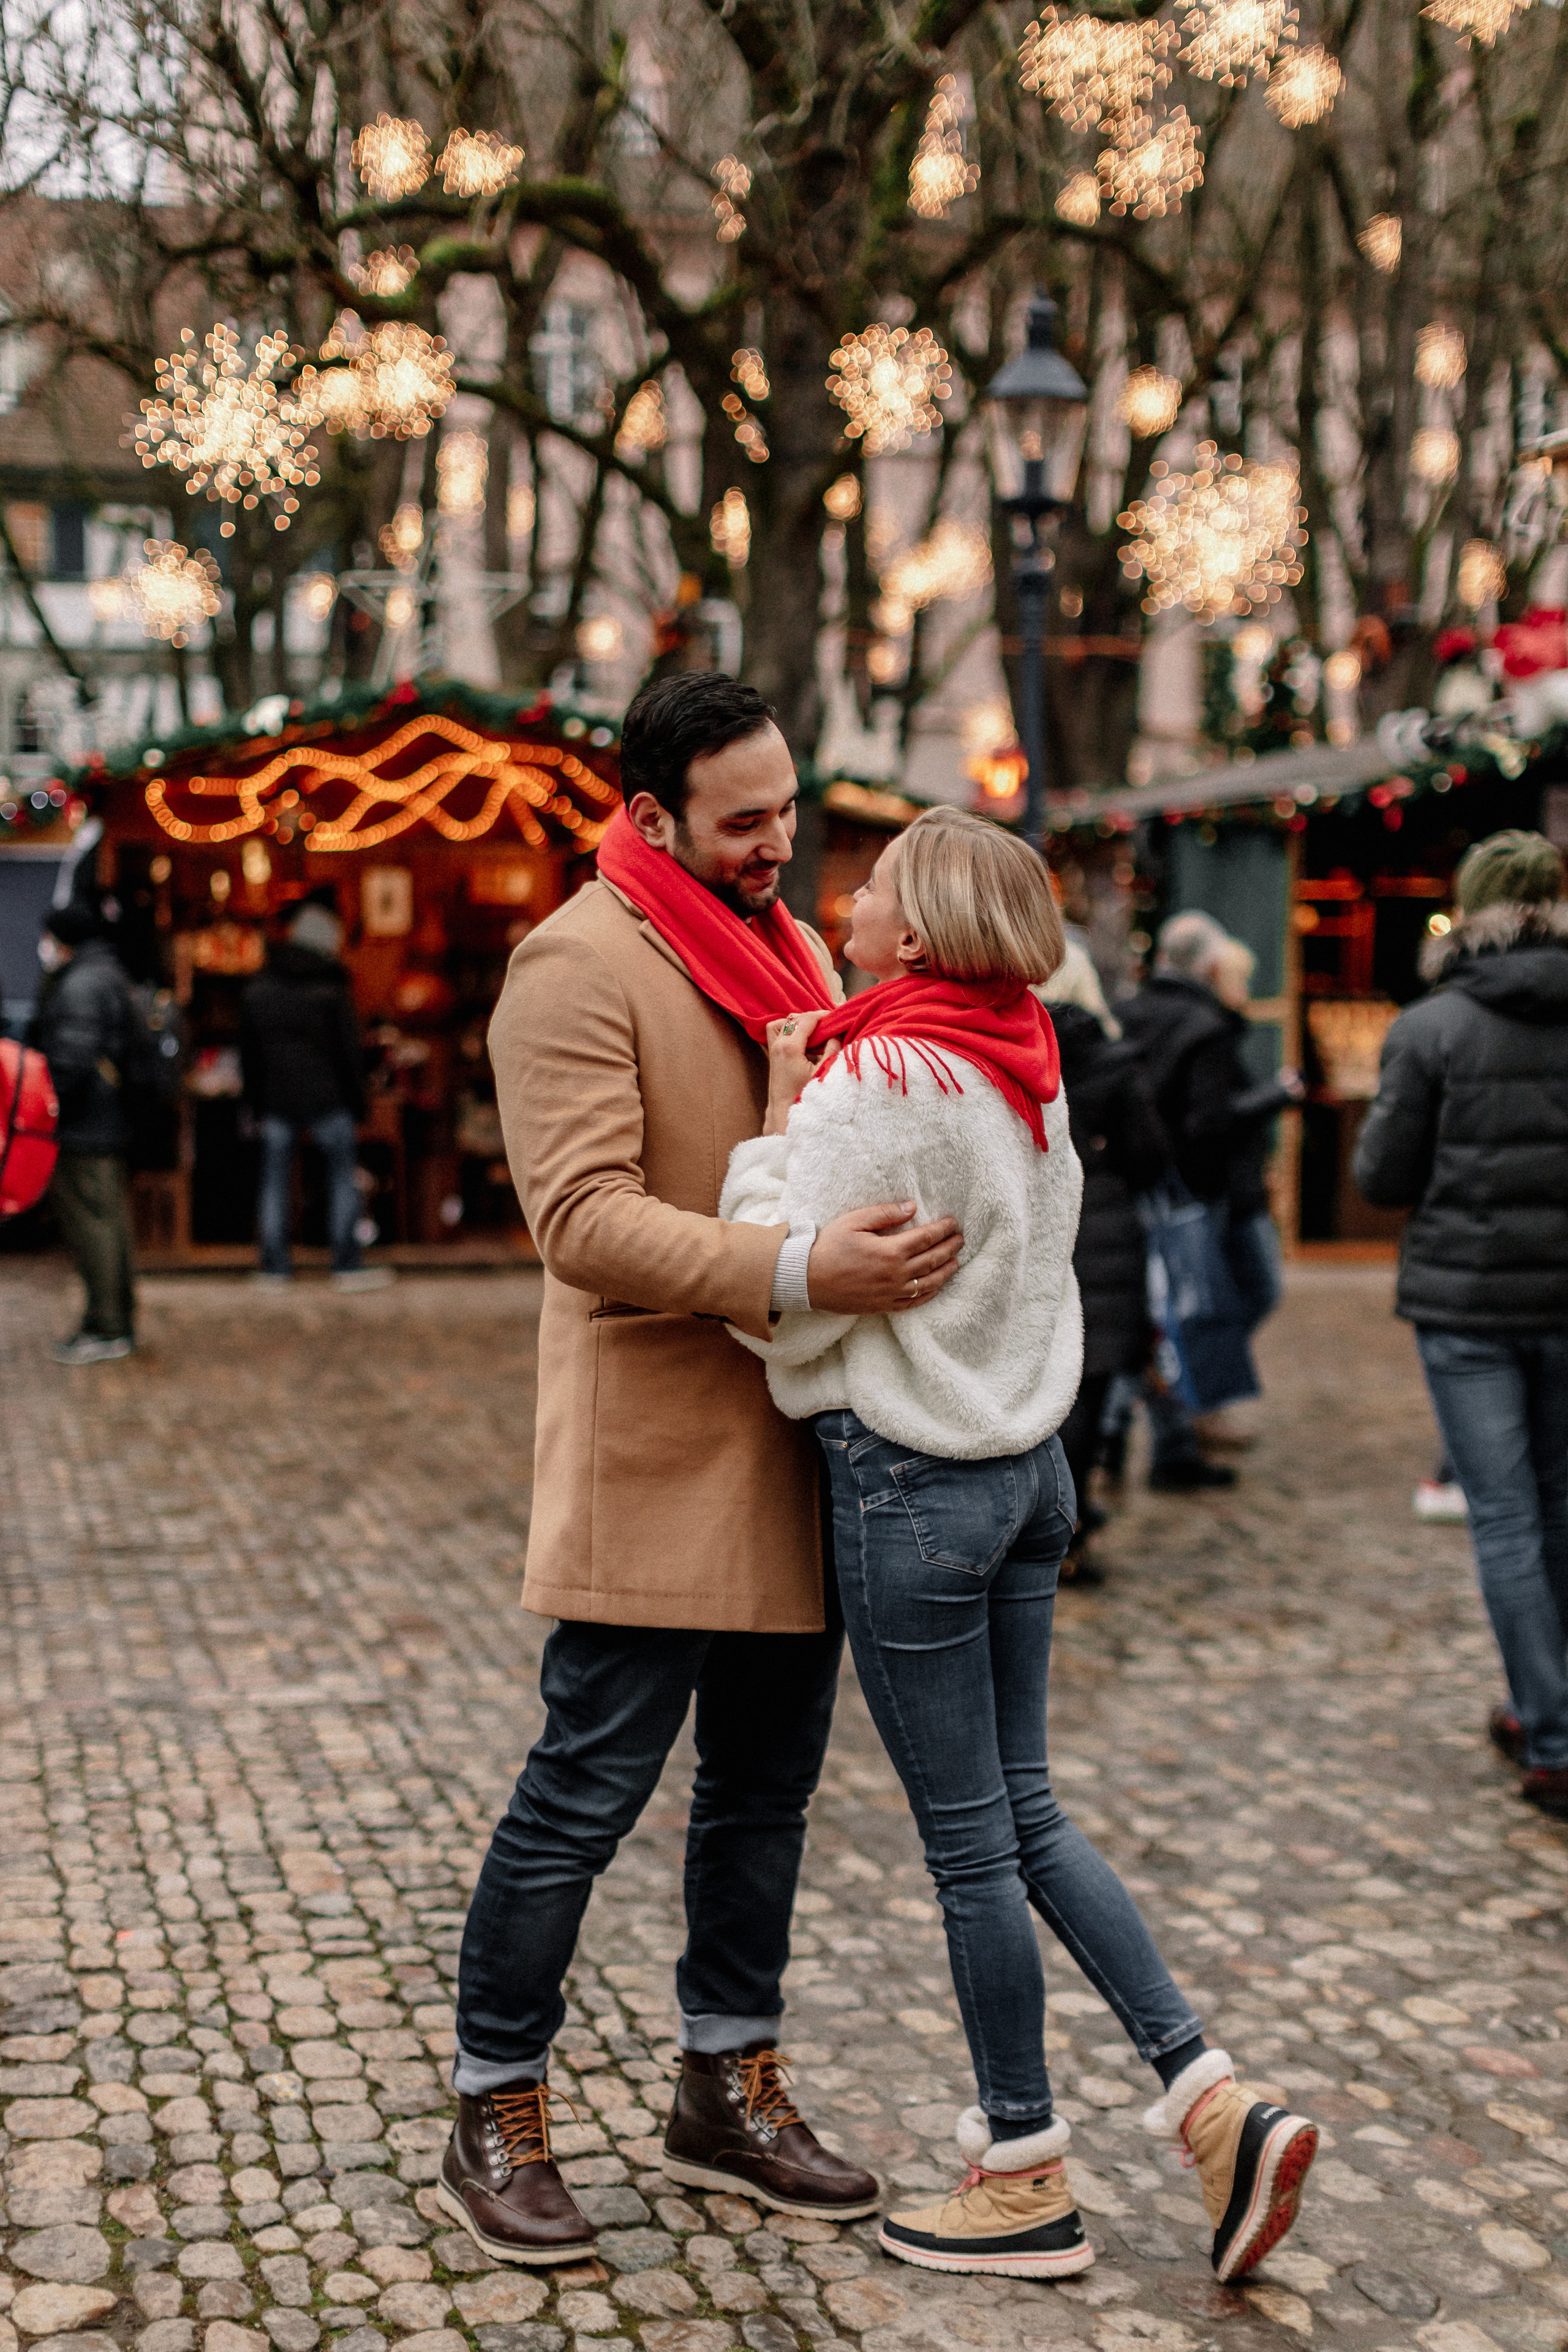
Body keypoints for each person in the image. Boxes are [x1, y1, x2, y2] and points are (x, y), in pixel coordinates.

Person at [720, 808, 1318, 2285]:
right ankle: (1208, 2099)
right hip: (1026, 1467)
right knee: (1027, 1814)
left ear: (914, 935)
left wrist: (776, 1118)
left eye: (868, 896)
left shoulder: (879, 1072)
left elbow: (774, 1285)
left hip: (912, 1474)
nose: (841, 905)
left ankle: (1019, 2169)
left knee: (970, 1849)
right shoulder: (1024, 1064)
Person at [445, 673, 967, 2266]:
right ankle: (494, 2099)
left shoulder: (801, 950)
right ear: (656, 814)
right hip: (658, 1451)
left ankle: (725, 2087)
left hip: (800, 1442)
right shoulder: (573, 961)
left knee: (764, 1799)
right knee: (584, 1793)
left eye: (791, 811)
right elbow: (582, 1222)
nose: (779, 844)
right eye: (746, 821)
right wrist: (807, 1263)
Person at [1355, 829, 1568, 1819]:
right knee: (1560, 1507)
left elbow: (1384, 1178)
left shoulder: (1431, 1028)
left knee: (1507, 1514)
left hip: (1468, 1300)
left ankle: (1550, 1730)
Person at [1120, 912, 1303, 1478]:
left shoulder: (1132, 1012)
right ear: (1210, 966)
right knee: (1218, 1303)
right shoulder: (1207, 1028)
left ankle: (1185, 1405)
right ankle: (1182, 1408)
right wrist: (1277, 1095)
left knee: (1173, 1313)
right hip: (1203, 1193)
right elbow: (1208, 1123)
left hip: (1147, 1188)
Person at [1042, 990, 1169, 1581]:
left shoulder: (1029, 1066)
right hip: (1108, 1234)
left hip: (1047, 1228)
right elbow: (1149, 1156)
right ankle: (1070, 1533)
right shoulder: (1116, 1071)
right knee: (1088, 1392)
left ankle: (1053, 1524)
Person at [239, 898, 388, 1291]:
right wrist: (359, 1103)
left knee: (274, 1180)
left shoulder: (260, 988)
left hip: (275, 1098)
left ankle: (274, 1267)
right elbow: (349, 1054)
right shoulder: (333, 989)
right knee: (342, 1178)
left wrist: (253, 1102)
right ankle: (346, 1264)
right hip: (329, 1098)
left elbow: (250, 1057)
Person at [31, 903, 138, 1363]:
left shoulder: (82, 984)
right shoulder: (104, 974)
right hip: (102, 1121)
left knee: (94, 1224)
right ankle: (116, 1320)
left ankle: (107, 1324)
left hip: (86, 1124)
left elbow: (70, 1061)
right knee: (108, 1221)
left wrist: (45, 1105)